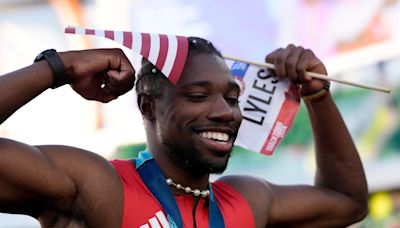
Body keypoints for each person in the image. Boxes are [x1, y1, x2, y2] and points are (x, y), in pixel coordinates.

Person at [0, 37, 368, 228]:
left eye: (231, 97)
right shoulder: (99, 186)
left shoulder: (246, 201)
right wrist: (58, 67)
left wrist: (317, 94)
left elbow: (347, 202)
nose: (225, 112)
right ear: (148, 107)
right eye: (197, 96)